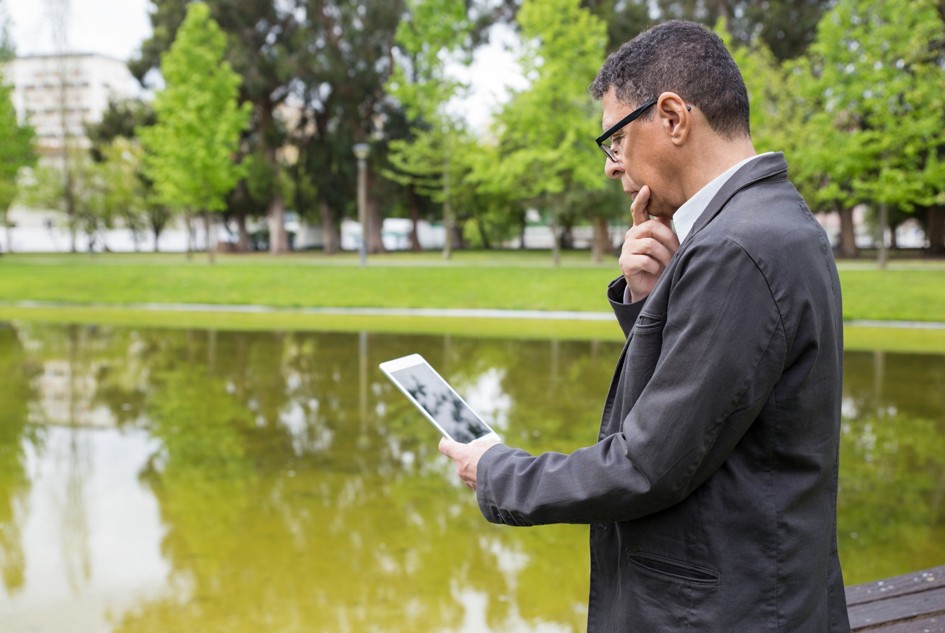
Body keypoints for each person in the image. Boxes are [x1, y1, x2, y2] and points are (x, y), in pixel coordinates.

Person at [438, 19, 851, 633]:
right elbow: (716, 409)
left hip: (725, 613)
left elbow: (647, 464)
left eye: (615, 140)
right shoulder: (767, 222)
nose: (612, 167)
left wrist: (500, 471)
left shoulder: (736, 248)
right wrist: (650, 298)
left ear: (673, 117)